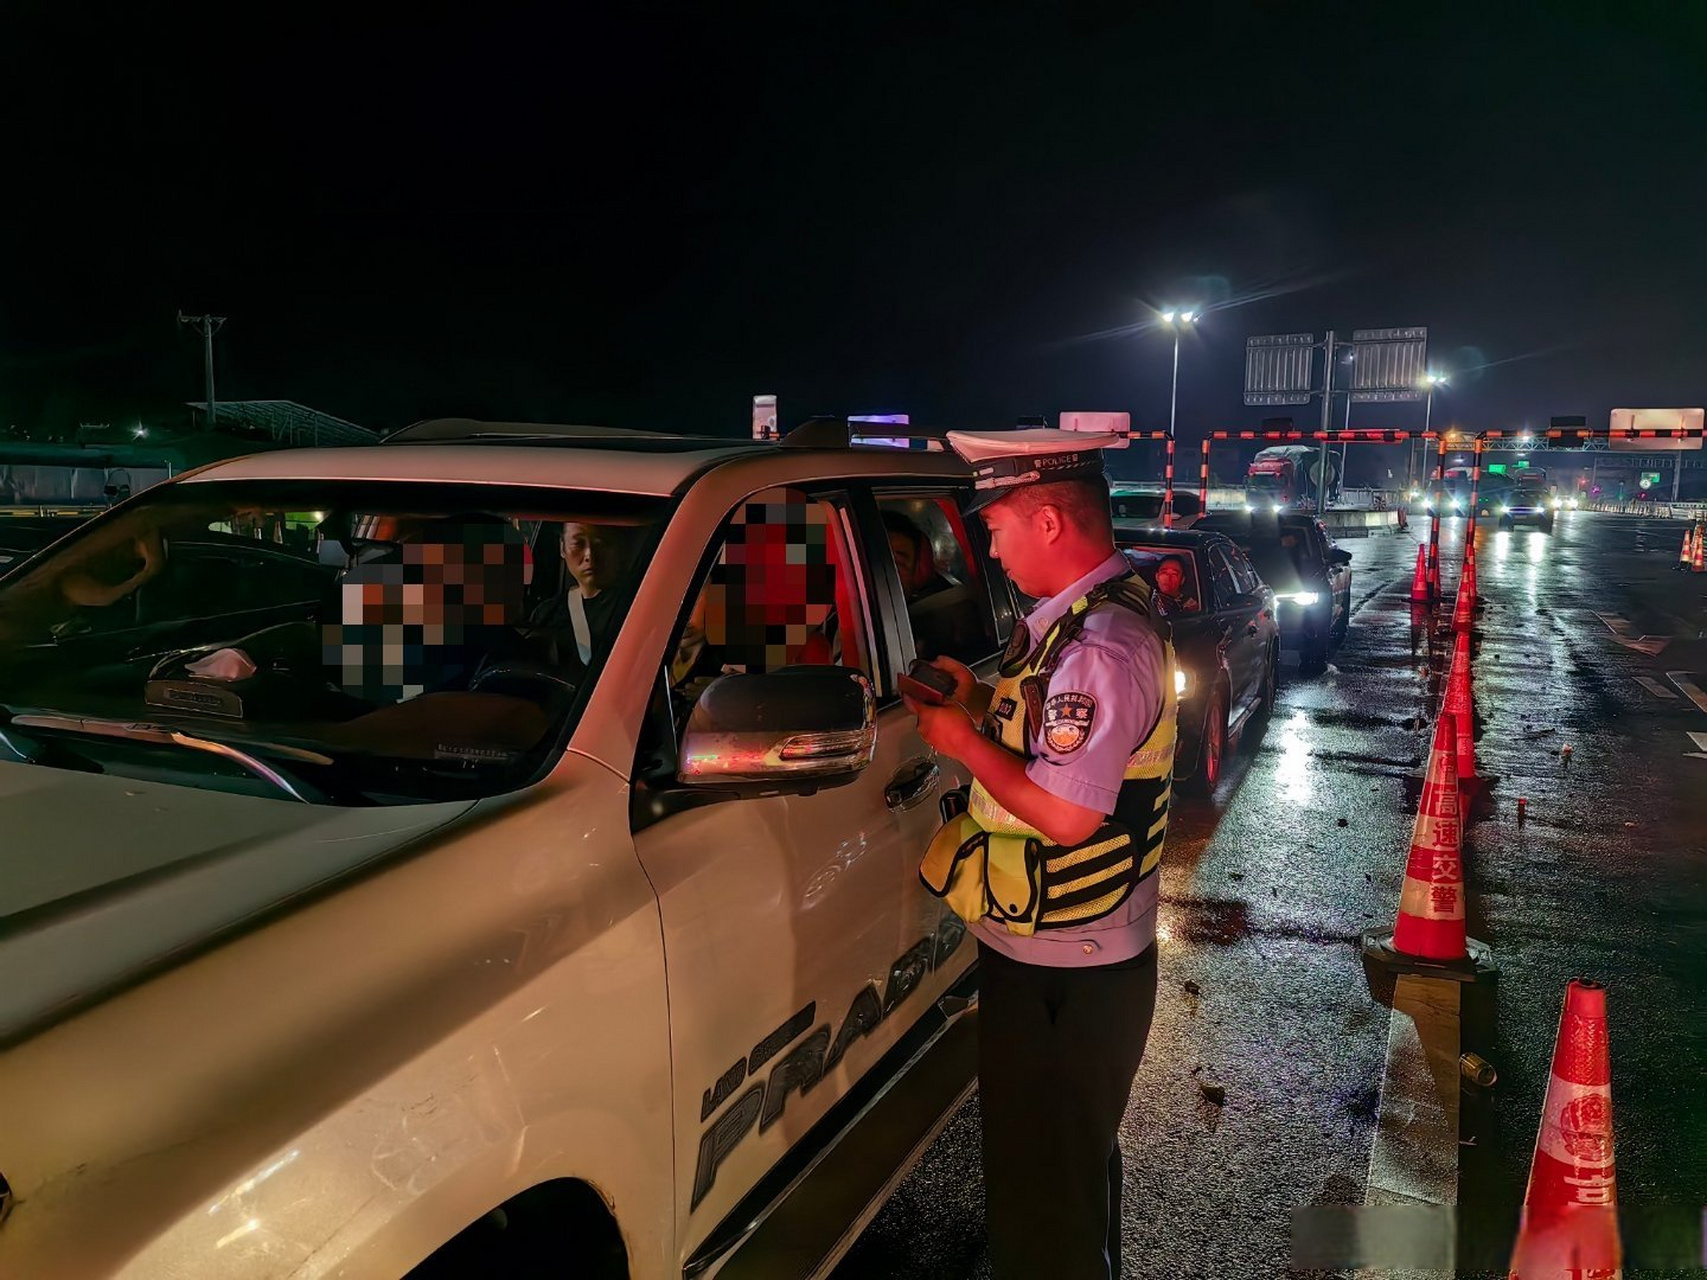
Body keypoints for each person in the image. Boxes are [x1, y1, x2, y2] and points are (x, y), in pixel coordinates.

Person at [908, 427, 1178, 1280]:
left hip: (1067, 968)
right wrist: (982, 699)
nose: (989, 547)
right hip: (1077, 955)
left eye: (996, 527)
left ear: (1051, 522)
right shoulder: (1095, 621)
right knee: (1070, 1175)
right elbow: (1066, 741)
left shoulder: (1099, 647)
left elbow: (1064, 816)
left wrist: (960, 739)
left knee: (1040, 1204)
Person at [525, 520, 637, 669]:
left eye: (600, 543)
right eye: (578, 544)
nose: (589, 555)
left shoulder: (635, 607)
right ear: (562, 548)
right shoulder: (546, 614)